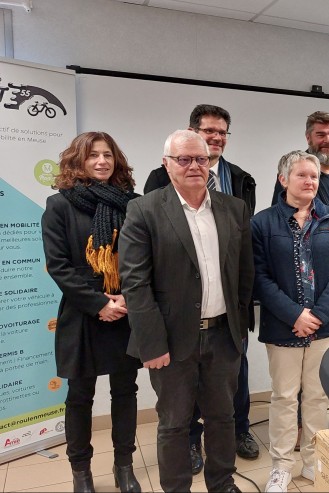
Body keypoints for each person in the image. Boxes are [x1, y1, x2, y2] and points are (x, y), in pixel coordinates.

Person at [120, 130, 254, 493]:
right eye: (184, 159)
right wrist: (151, 344)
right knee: (174, 424)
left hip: (223, 336)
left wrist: (240, 329)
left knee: (223, 418)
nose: (194, 166)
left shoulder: (234, 209)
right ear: (167, 164)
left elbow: (245, 273)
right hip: (170, 340)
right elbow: (135, 283)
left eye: (201, 159)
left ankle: (222, 483)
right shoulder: (144, 209)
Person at [42, 132, 142, 493]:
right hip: (83, 312)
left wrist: (125, 299)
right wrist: (100, 304)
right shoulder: (59, 205)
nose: (102, 161)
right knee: (80, 396)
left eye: (108, 155)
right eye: (93, 155)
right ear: (78, 161)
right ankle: (81, 473)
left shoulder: (134, 204)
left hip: (125, 309)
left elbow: (145, 258)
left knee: (125, 391)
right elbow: (58, 266)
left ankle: (124, 466)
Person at [252, 151, 329, 492]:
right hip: (283, 326)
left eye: (314, 176)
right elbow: (259, 278)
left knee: (316, 397)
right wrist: (295, 315)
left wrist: (318, 315)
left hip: (325, 327)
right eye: (302, 175)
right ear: (283, 180)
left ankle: (312, 461)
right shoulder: (263, 223)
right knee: (283, 397)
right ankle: (281, 466)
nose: (310, 181)